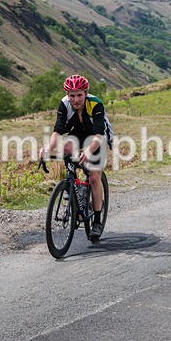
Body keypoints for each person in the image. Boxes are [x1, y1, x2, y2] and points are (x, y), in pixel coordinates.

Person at [39, 74, 113, 239]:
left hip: (97, 136)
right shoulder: (65, 104)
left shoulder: (96, 104)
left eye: (79, 94)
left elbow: (99, 136)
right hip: (79, 132)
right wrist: (47, 148)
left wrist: (87, 152)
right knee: (66, 147)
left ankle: (97, 221)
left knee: (94, 177)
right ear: (67, 95)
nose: (76, 99)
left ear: (85, 93)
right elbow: (58, 132)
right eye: (72, 95)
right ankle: (72, 184)